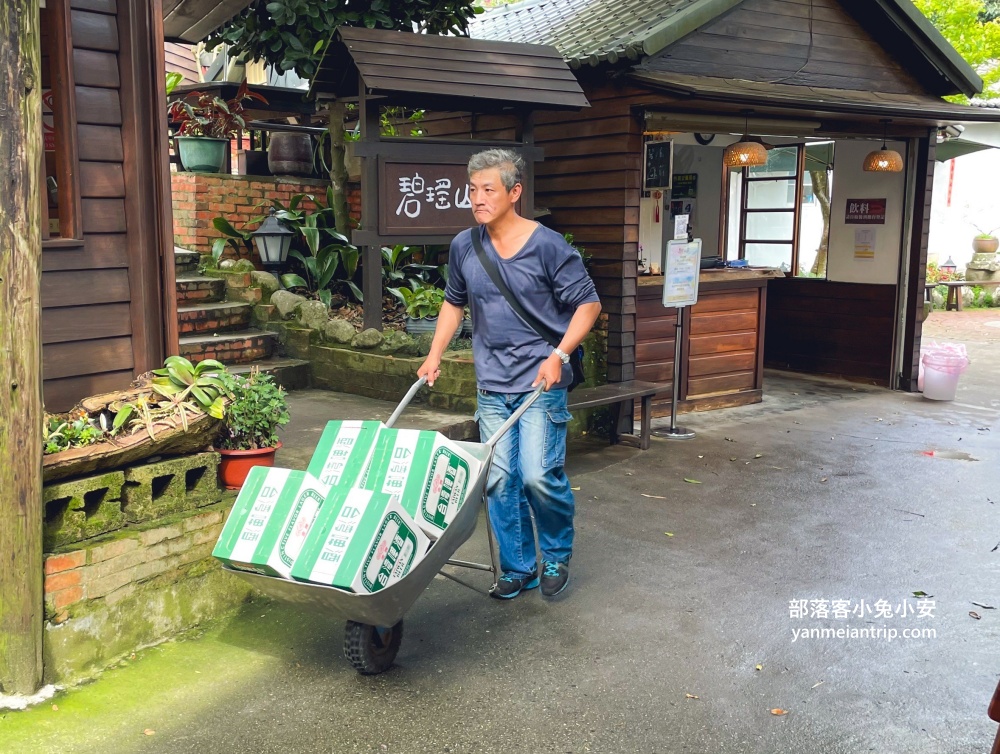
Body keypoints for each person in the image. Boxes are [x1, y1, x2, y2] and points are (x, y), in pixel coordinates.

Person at [417, 148, 602, 599]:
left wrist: (559, 352)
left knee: (539, 476)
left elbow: (589, 304)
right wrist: (435, 352)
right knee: (500, 480)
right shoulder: (465, 245)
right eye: (472, 189)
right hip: (492, 386)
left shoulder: (548, 246)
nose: (477, 199)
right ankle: (520, 568)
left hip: (541, 384)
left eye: (488, 190)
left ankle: (556, 553)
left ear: (514, 192)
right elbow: (453, 303)